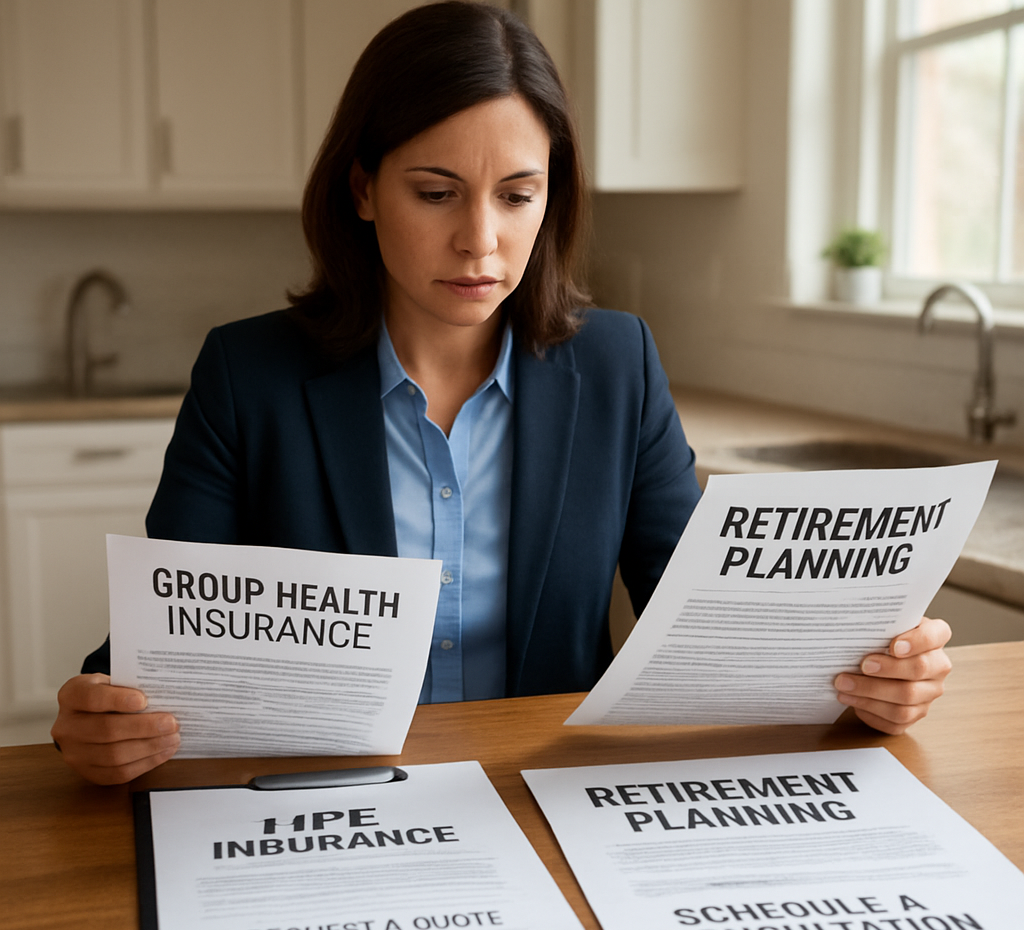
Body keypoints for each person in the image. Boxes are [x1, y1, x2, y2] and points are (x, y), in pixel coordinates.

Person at [51, 2, 952, 785]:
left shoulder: (617, 364)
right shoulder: (248, 378)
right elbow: (155, 651)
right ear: (363, 189)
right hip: (326, 804)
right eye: (437, 193)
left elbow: (704, 621)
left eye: (517, 195)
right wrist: (102, 716)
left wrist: (864, 678)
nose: (480, 242)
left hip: (544, 798)